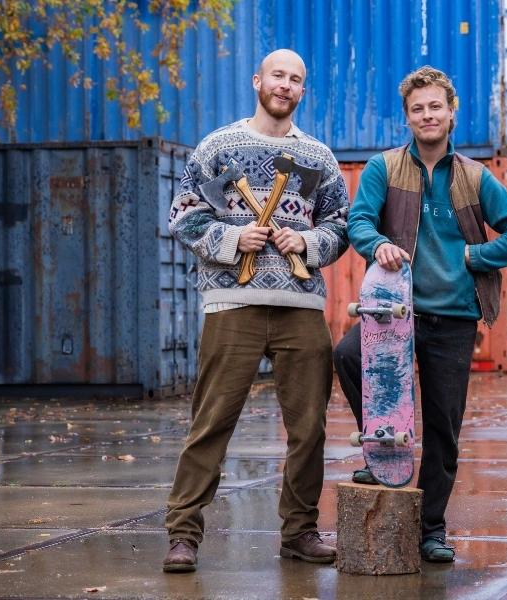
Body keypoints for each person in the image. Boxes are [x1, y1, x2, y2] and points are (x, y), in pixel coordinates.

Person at [333, 66, 507, 563]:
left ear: (451, 112)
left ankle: (432, 530)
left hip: (453, 318)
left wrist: (474, 258)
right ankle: (381, 450)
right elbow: (358, 220)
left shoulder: (473, 176)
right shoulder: (384, 168)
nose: (427, 115)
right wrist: (377, 243)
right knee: (345, 356)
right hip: (394, 313)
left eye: (435, 107)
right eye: (417, 108)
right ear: (407, 117)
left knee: (444, 426)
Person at [163, 49, 350, 572]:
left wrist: (307, 243)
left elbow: (341, 227)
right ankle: (183, 535)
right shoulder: (218, 148)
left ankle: (300, 532)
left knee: (309, 427)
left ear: (302, 90)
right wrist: (232, 236)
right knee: (212, 422)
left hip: (299, 307)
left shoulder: (318, 158)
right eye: (277, 76)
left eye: (295, 79)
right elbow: (182, 216)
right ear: (257, 81)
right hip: (232, 304)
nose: (285, 85)